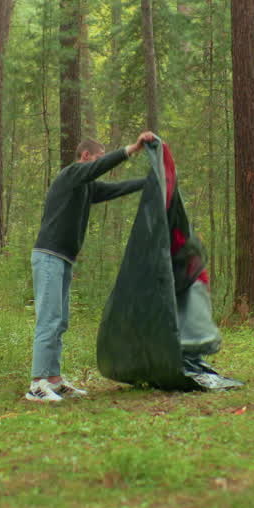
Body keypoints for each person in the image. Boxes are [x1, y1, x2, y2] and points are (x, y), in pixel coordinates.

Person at [25, 131, 156, 403]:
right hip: (48, 256)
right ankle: (37, 384)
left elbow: (117, 188)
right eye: (97, 158)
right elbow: (101, 167)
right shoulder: (72, 174)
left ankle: (54, 380)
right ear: (86, 156)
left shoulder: (86, 187)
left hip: (62, 259)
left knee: (60, 322)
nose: (99, 164)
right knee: (48, 320)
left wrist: (151, 182)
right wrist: (131, 149)